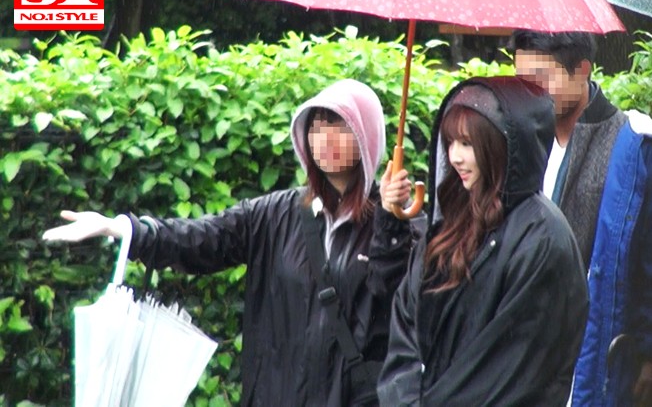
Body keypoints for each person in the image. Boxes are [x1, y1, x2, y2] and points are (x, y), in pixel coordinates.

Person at [43, 79, 417, 407]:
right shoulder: (275, 215)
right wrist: (124, 229)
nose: (325, 139)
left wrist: (390, 221)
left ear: (366, 137)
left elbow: (392, 295)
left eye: (339, 126)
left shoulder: (397, 224)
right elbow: (204, 237)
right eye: (316, 127)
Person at [377, 76, 589, 406]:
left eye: (467, 143)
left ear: (502, 146)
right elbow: (406, 324)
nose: (454, 156)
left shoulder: (543, 238)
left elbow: (512, 371)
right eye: (450, 142)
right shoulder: (451, 222)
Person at [513, 31, 652, 407]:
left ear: (582, 70)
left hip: (599, 346)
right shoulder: (520, 138)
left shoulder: (637, 146)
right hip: (529, 345)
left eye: (541, 79)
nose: (532, 93)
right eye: (522, 81)